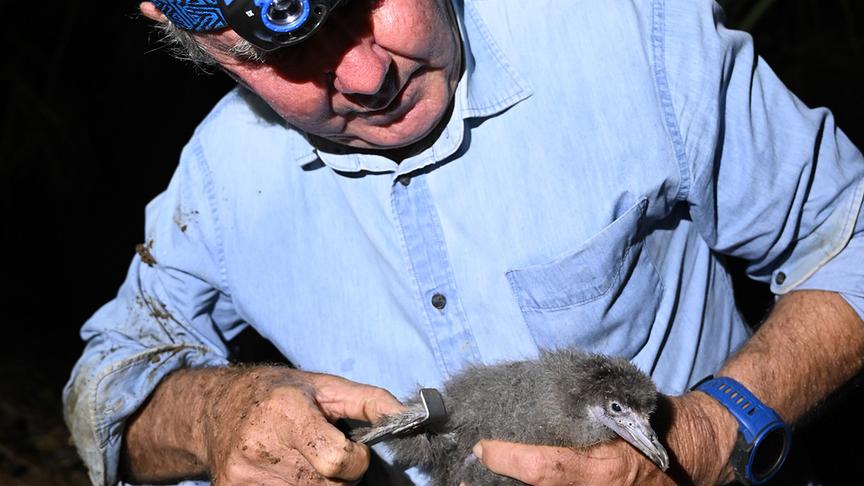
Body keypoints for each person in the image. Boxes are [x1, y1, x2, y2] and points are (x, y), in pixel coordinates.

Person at [64, 0, 864, 484]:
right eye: (285, 54)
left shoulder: (626, 35)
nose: (369, 77)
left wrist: (711, 434)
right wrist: (216, 414)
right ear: (189, 35)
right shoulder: (218, 180)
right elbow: (109, 379)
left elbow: (852, 231)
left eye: (362, 1)